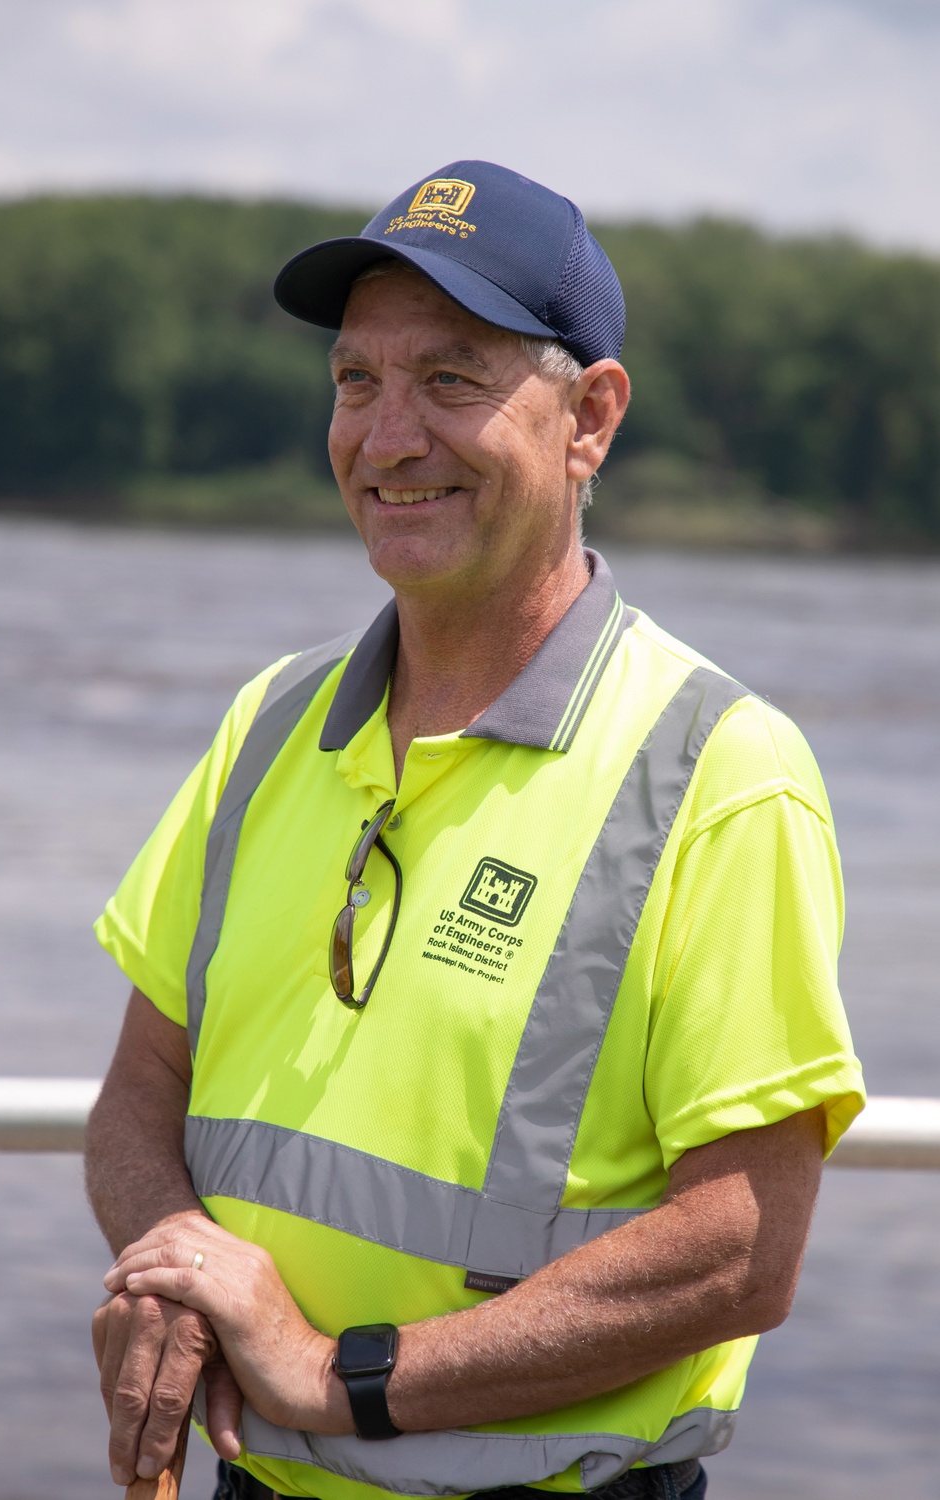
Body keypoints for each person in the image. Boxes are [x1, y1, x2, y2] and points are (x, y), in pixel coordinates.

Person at [87, 160, 865, 1500]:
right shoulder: (271, 722)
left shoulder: (722, 774)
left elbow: (744, 1248)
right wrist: (177, 1272)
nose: (386, 438)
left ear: (591, 419)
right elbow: (137, 1094)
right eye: (355, 380)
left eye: (451, 380)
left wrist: (343, 1377)